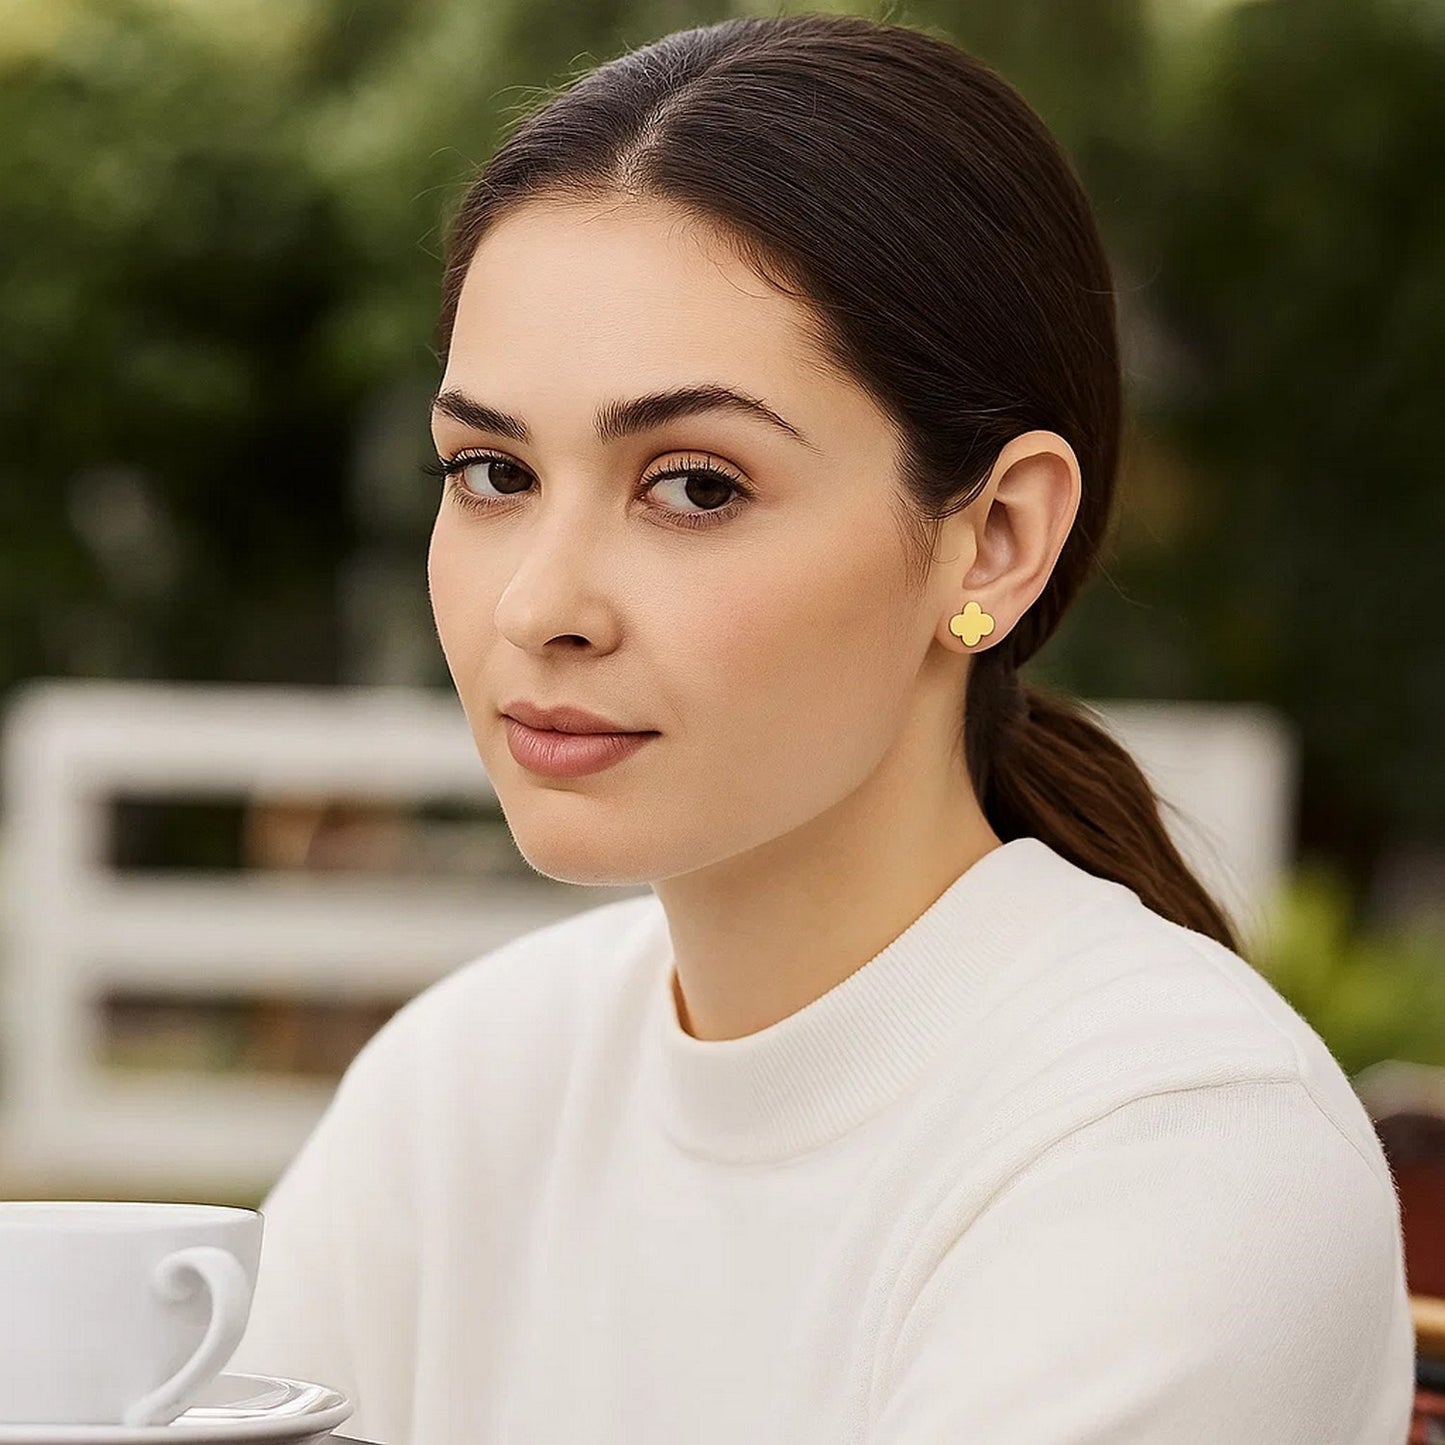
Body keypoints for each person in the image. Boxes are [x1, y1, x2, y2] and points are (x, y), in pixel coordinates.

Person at [227, 13, 1414, 1442]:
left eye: (695, 487)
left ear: (991, 541)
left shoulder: (1173, 1146)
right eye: (491, 470)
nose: (539, 604)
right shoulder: (465, 1087)